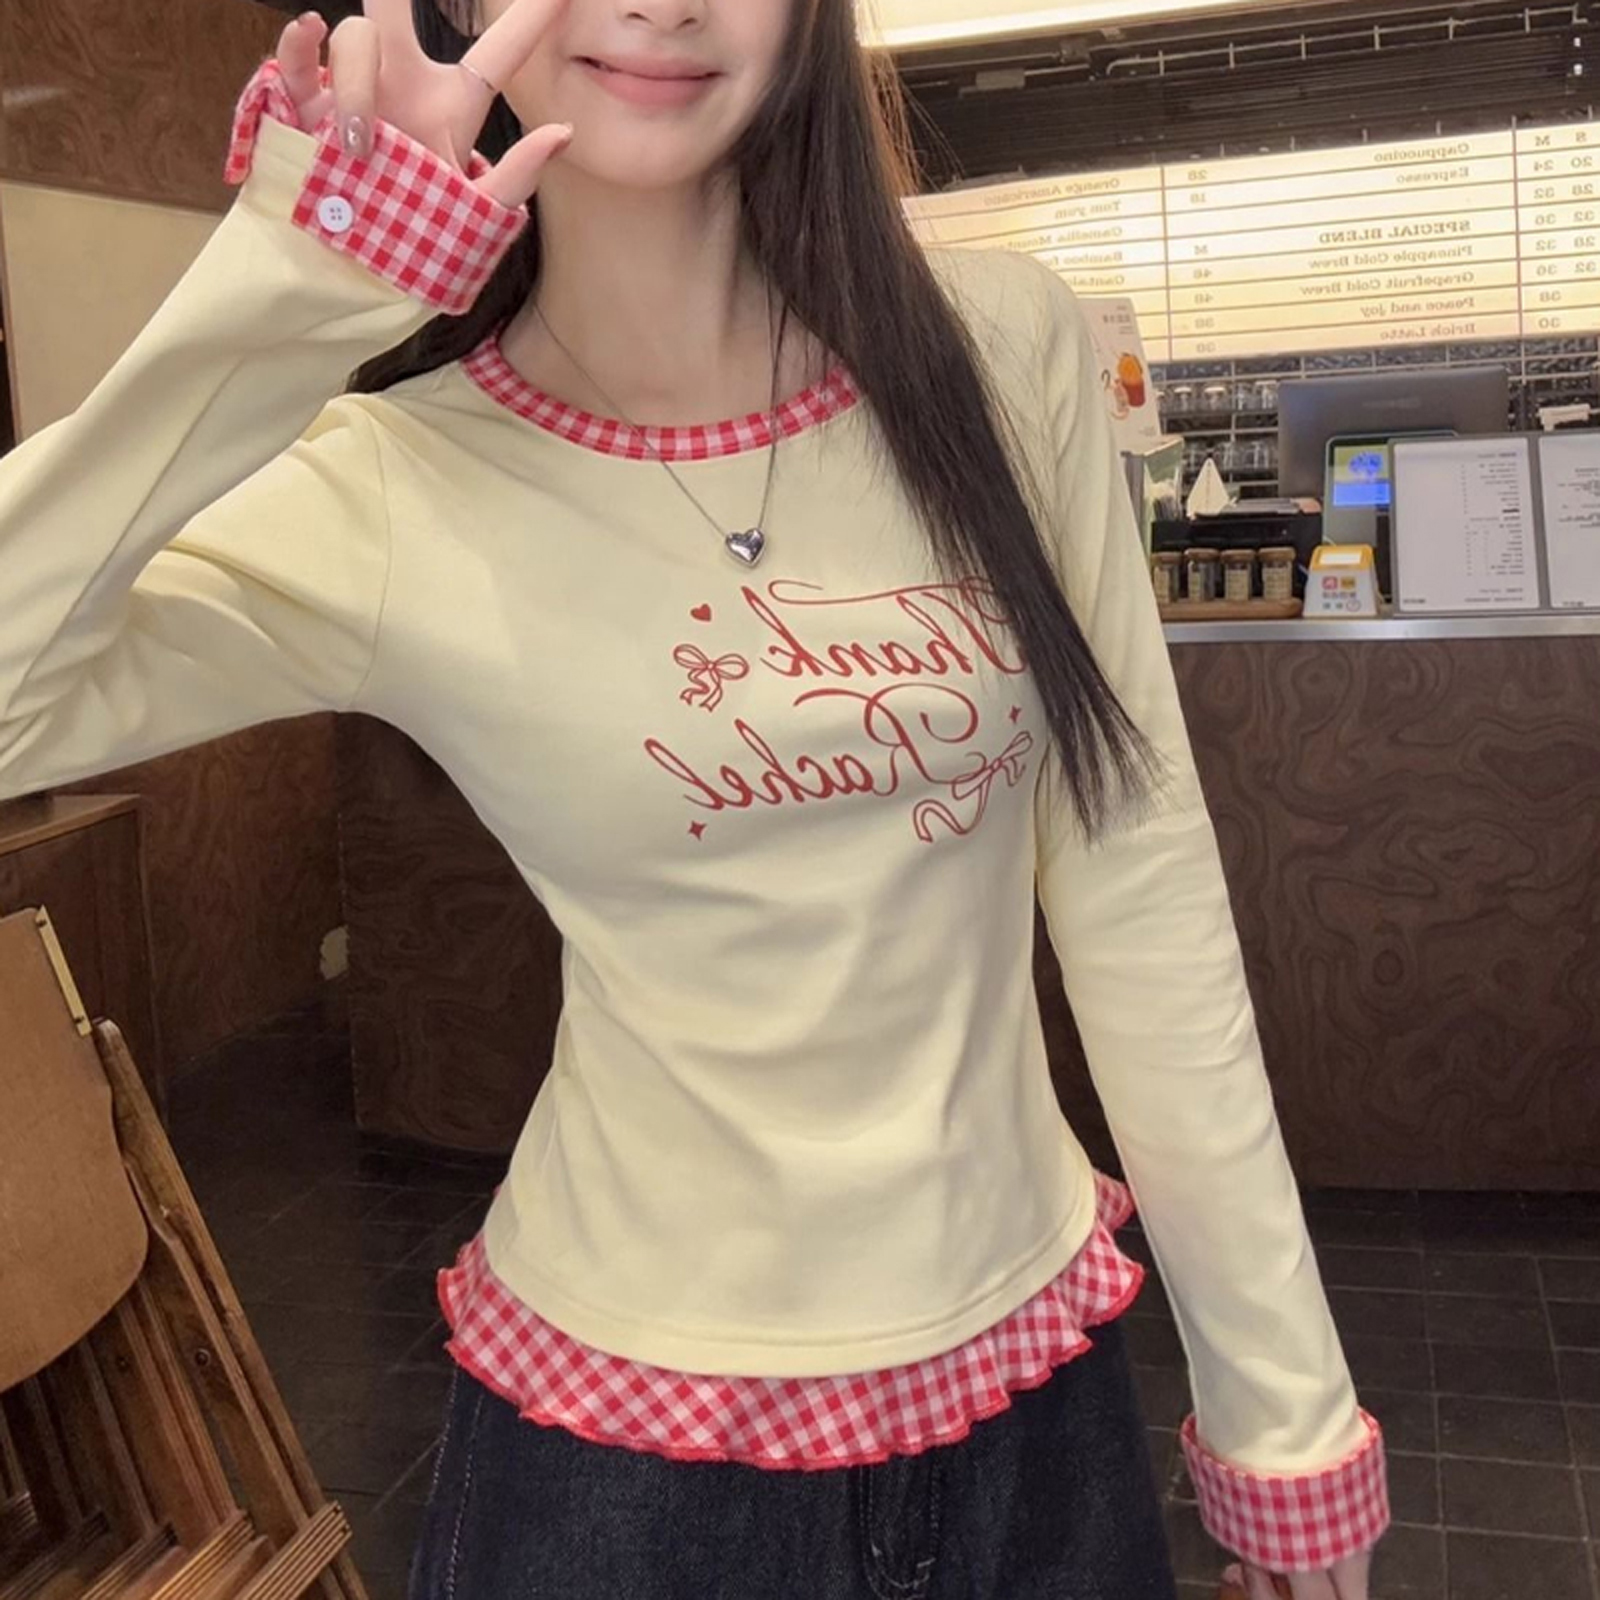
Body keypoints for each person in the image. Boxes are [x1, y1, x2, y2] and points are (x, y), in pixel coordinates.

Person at [0, 0, 1389, 1594]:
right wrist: (303, 282)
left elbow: (1137, 871)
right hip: (626, 1467)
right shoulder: (392, 481)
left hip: (1032, 1411)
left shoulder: (1005, 352)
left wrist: (1284, 1416)